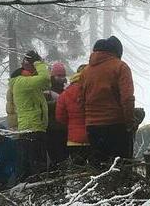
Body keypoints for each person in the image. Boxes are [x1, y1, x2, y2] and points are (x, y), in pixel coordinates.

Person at [80, 36, 135, 164]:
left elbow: (81, 100)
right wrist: (129, 122)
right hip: (116, 124)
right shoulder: (121, 67)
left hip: (93, 127)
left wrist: (89, 119)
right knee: (120, 167)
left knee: (99, 167)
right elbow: (127, 98)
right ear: (117, 51)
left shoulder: (85, 72)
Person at [8, 50, 50, 178]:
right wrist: (38, 63)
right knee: (37, 165)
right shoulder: (21, 82)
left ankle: (32, 189)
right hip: (32, 128)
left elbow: (47, 82)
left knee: (32, 164)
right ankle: (38, 190)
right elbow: (44, 78)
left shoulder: (27, 83)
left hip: (34, 127)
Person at [56, 64, 91, 165]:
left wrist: (71, 123)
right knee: (94, 170)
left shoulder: (65, 94)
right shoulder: (92, 90)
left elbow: (60, 117)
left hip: (73, 140)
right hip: (92, 136)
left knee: (77, 171)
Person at [45, 61, 69, 167]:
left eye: (63, 75)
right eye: (59, 75)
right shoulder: (47, 90)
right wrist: (60, 103)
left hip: (65, 128)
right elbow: (44, 107)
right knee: (57, 158)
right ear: (53, 76)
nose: (62, 78)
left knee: (65, 157)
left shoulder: (66, 89)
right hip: (52, 128)